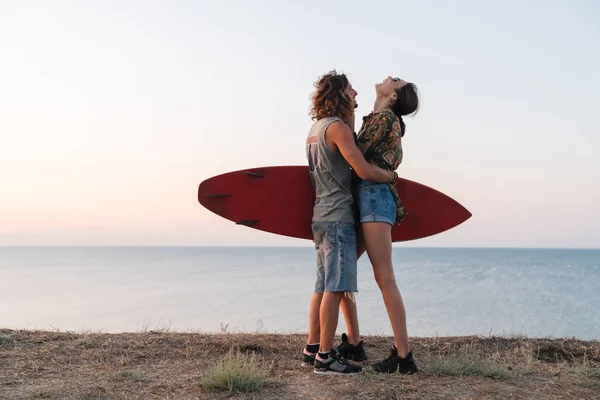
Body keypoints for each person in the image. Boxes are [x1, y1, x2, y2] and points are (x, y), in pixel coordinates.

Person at [303, 71, 397, 375]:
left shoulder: (316, 128)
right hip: (338, 217)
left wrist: (351, 114)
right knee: (335, 288)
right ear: (340, 94)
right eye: (350, 90)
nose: (356, 93)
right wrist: (392, 177)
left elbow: (346, 146)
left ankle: (312, 348)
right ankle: (326, 358)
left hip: (320, 215)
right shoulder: (339, 129)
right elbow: (363, 170)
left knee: (322, 286)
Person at [349, 76, 421, 374]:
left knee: (384, 278)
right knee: (343, 270)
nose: (389, 76)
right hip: (368, 198)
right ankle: (353, 343)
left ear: (393, 96)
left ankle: (404, 357)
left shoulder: (384, 119)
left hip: (375, 198)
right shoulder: (380, 119)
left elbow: (350, 152)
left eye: (396, 80)